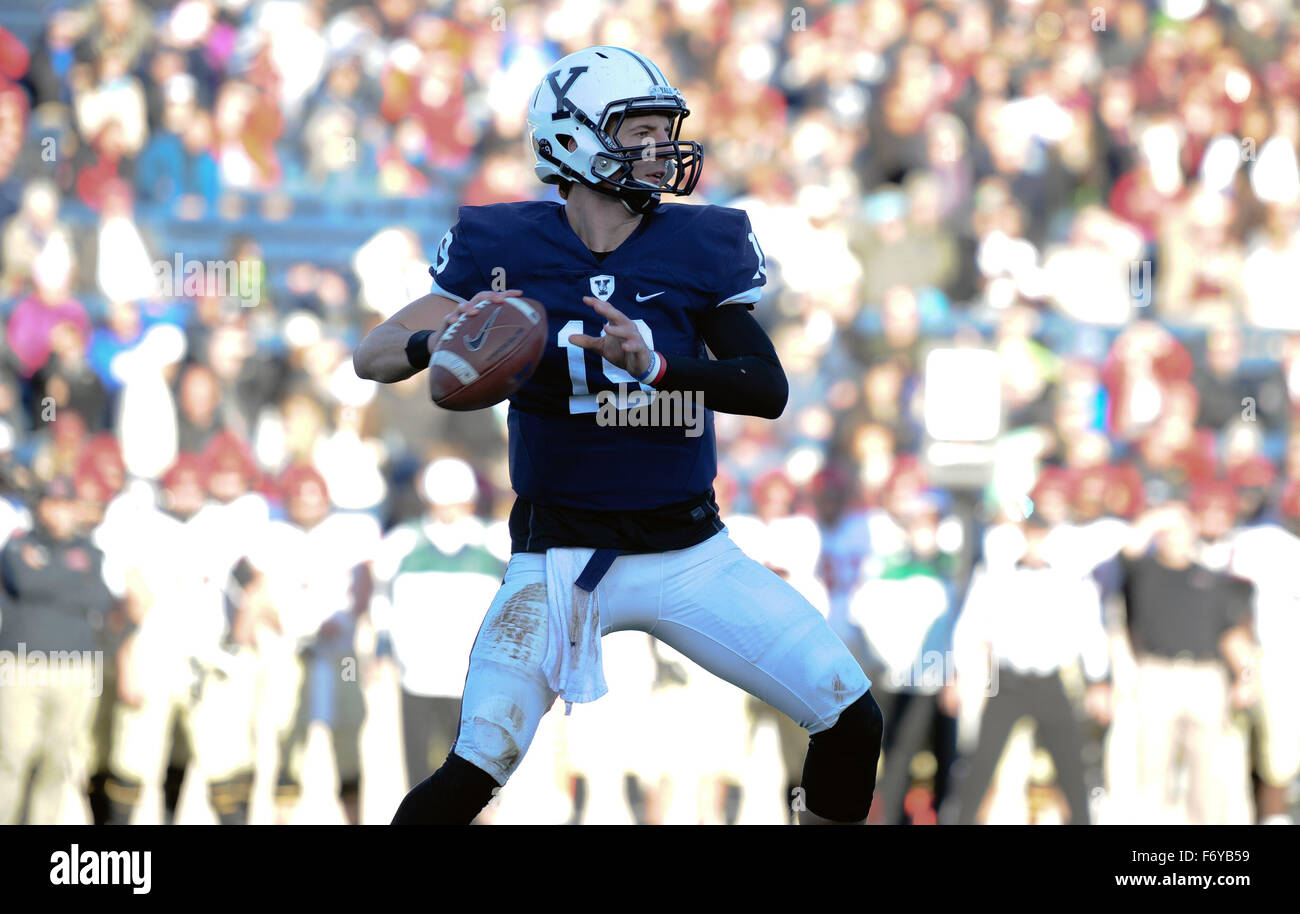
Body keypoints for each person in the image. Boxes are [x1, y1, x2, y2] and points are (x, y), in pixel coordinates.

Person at [355, 46, 882, 825]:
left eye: (663, 131)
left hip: (688, 552)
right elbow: (372, 355)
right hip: (557, 556)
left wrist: (662, 367)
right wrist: (450, 342)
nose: (660, 150)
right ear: (570, 140)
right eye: (637, 131)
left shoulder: (698, 243)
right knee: (475, 765)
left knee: (852, 719)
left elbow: (766, 387)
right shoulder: (502, 247)